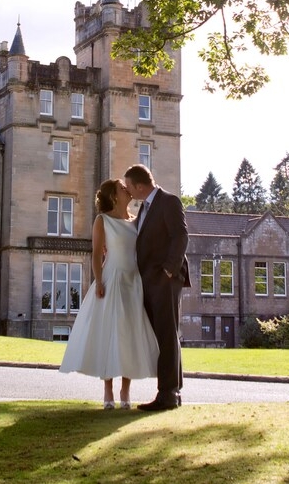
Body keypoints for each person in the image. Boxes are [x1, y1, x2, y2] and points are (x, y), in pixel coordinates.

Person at [59, 178, 158, 408]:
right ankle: (107, 390)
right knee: (109, 334)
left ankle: (125, 391)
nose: (128, 189)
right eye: (123, 188)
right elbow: (95, 254)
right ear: (114, 195)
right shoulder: (102, 221)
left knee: (129, 335)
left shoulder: (137, 221)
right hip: (111, 279)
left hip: (133, 282)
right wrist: (99, 281)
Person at [126, 163, 189, 411]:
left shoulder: (168, 202)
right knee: (165, 335)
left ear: (140, 186)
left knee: (166, 335)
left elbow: (181, 236)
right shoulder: (143, 209)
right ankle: (172, 392)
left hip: (165, 281)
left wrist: (168, 270)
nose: (129, 193)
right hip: (150, 281)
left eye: (130, 188)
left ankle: (167, 395)